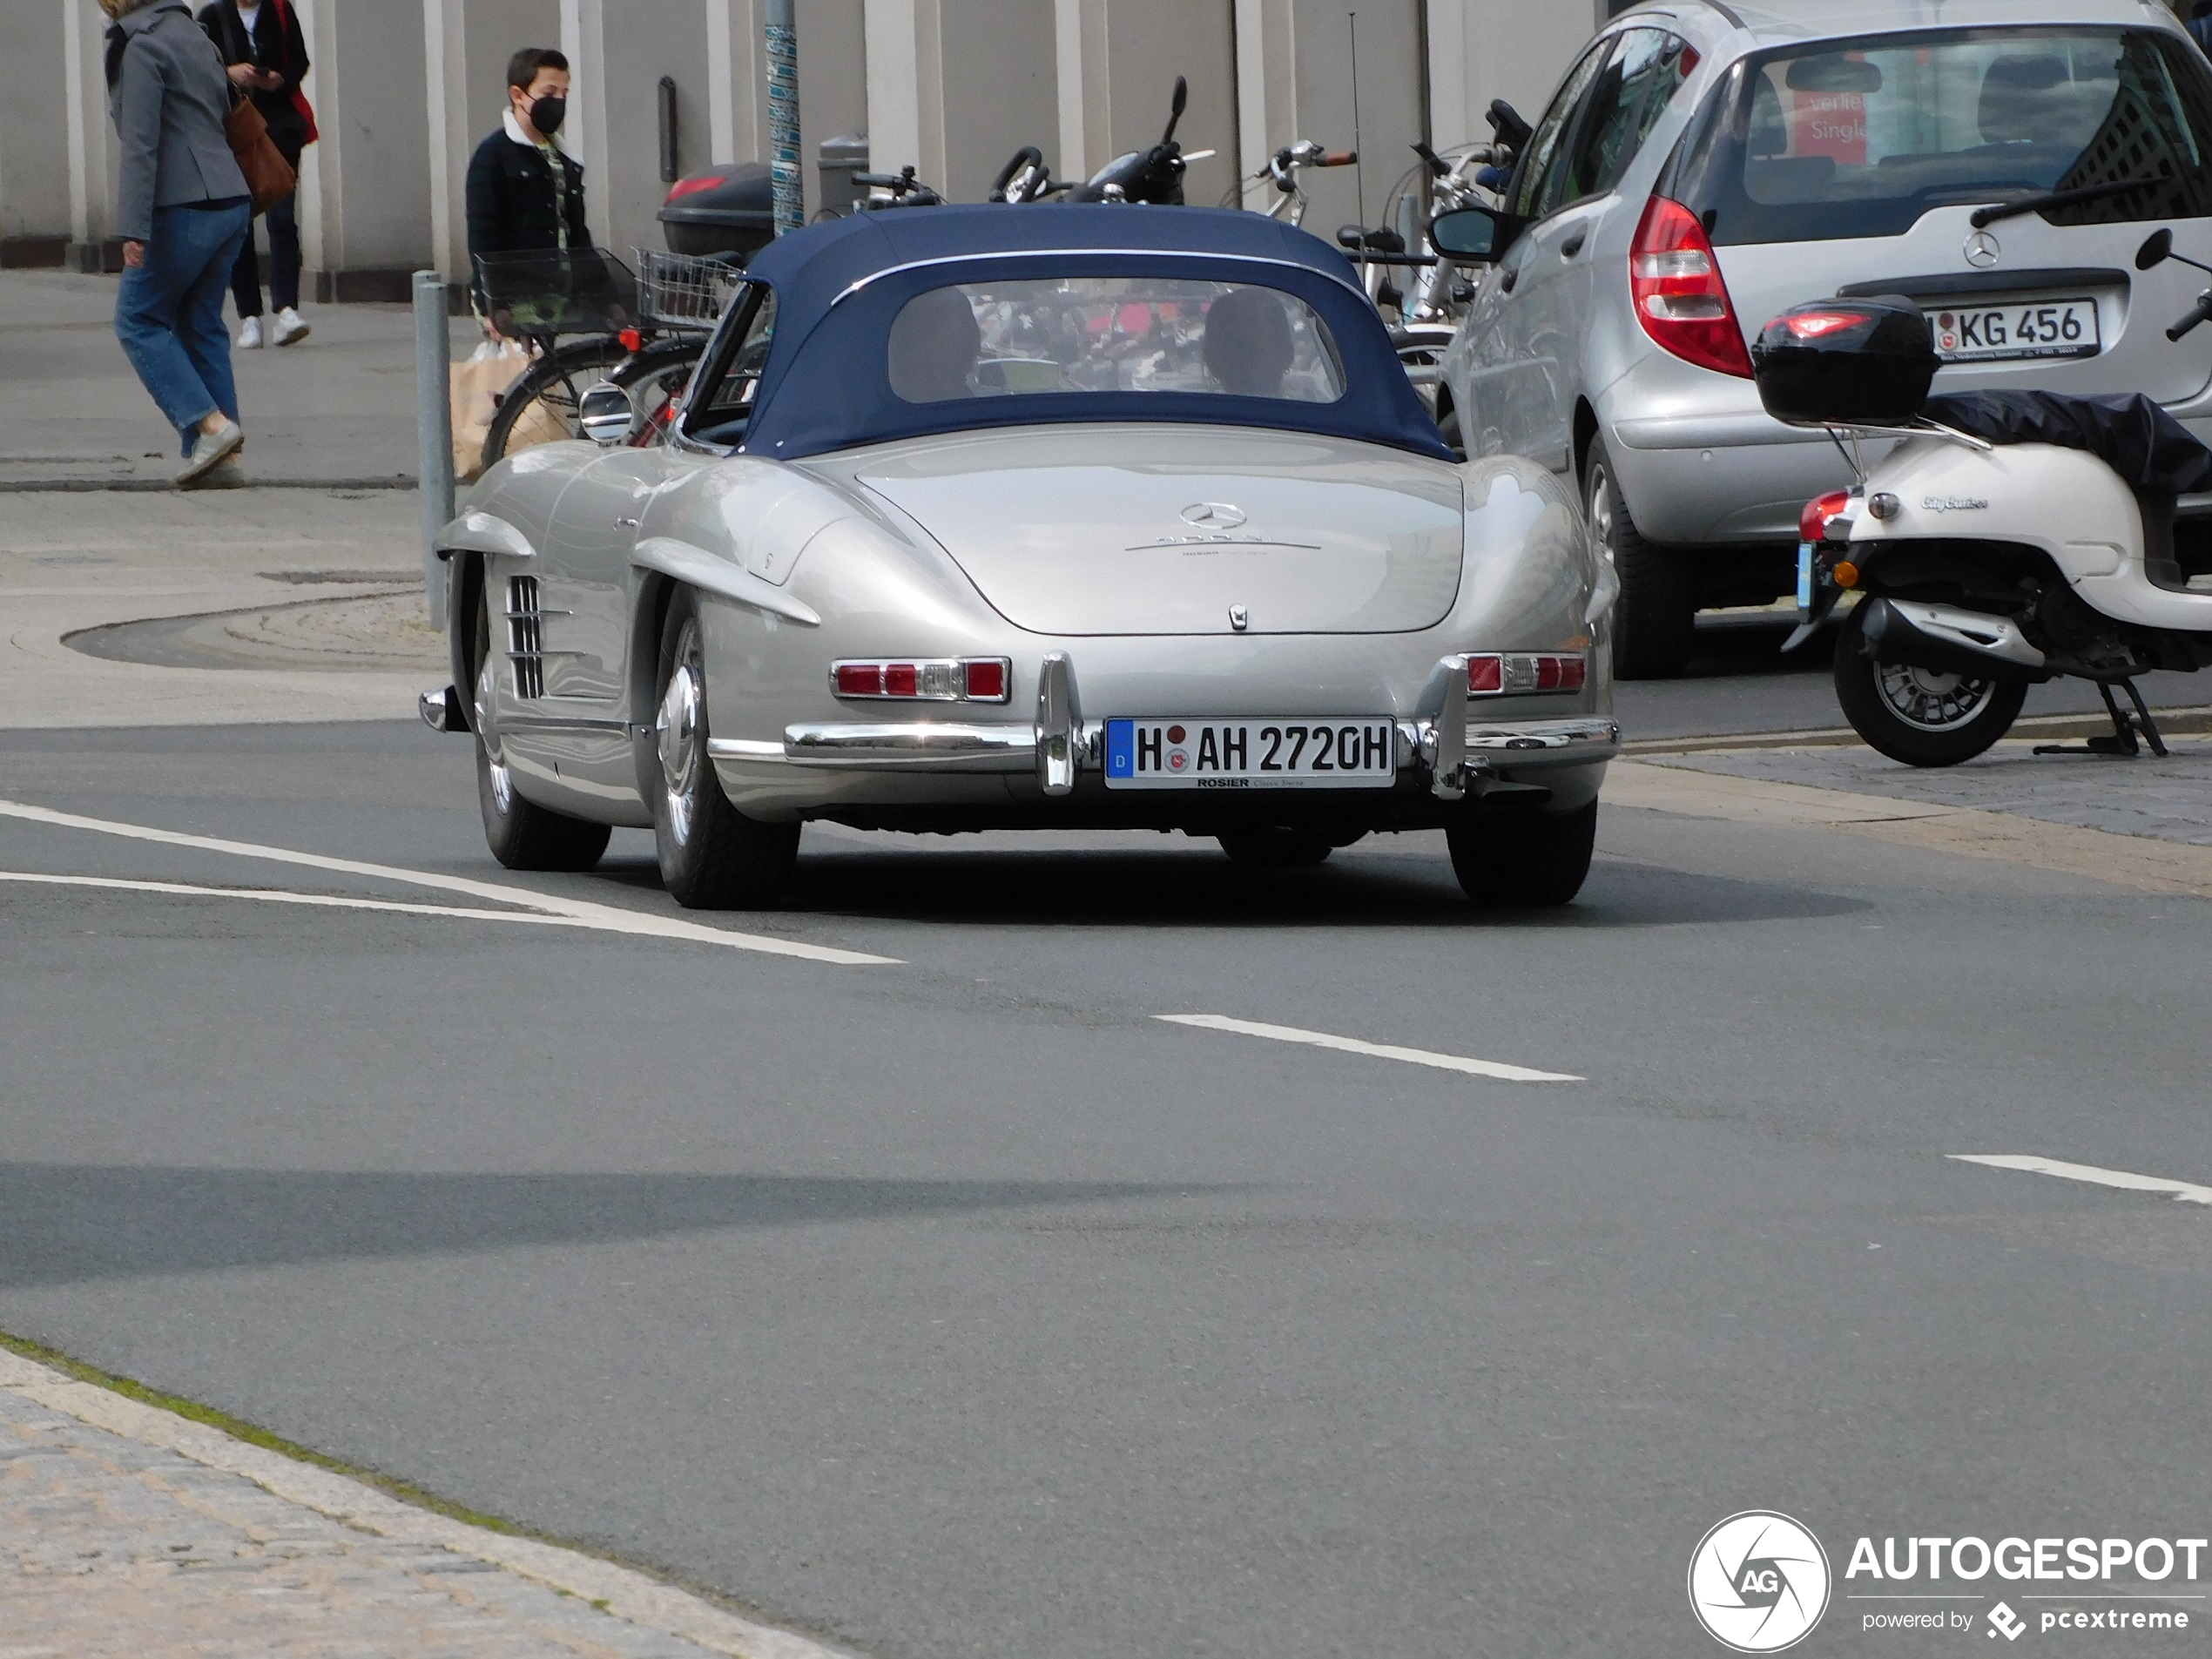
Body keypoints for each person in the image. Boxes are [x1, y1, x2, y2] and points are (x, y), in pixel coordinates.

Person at [101, 0, 252, 487]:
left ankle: (210, 426)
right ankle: (221, 461)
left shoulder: (142, 47)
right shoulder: (194, 34)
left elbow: (141, 145)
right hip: (230, 198)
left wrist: (133, 228)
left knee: (137, 319)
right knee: (201, 323)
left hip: (182, 204)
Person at [198, 0, 311, 348]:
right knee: (240, 226)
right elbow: (200, 67)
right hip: (235, 131)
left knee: (282, 220)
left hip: (279, 130)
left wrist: (279, 79)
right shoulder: (213, 16)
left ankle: (287, 309)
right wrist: (230, 72)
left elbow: (300, 60)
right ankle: (250, 317)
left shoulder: (279, 9)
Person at [465, 49, 590, 338]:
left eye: (564, 93)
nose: (558, 101)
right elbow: (482, 235)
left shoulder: (563, 156)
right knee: (516, 378)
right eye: (549, 92)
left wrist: (605, 295)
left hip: (555, 296)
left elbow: (576, 231)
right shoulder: (493, 155)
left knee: (546, 378)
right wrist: (492, 304)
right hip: (514, 297)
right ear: (518, 95)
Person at [1202, 287, 1295, 398]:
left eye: (1251, 349)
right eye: (1233, 344)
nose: (1241, 359)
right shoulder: (1313, 411)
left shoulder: (1188, 411)